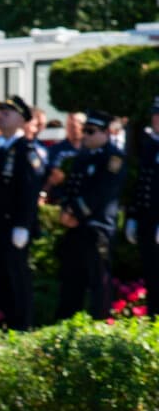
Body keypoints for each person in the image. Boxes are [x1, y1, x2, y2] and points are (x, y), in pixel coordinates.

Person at [0, 96, 42, 331]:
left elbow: (29, 189)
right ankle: (10, 323)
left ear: (22, 121)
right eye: (1, 112)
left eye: (8, 113)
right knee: (2, 276)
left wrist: (23, 224)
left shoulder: (25, 150)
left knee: (17, 277)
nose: (2, 116)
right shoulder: (3, 148)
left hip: (14, 226)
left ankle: (22, 326)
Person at [55, 109, 127, 321]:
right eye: (84, 130)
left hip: (97, 228)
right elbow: (71, 187)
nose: (85, 135)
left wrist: (76, 213)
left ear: (106, 133)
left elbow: (102, 192)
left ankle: (100, 323)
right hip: (77, 229)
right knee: (71, 280)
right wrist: (65, 209)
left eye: (91, 131)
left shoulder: (113, 158)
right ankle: (66, 323)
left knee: (99, 281)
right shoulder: (83, 156)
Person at [125, 96, 159, 316]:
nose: (155, 119)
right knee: (151, 275)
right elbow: (140, 184)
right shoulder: (149, 145)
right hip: (148, 221)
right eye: (154, 114)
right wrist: (133, 216)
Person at [43, 111, 86, 204]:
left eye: (75, 126)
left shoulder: (90, 150)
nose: (73, 130)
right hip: (57, 199)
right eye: (69, 126)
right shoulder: (55, 149)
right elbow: (48, 177)